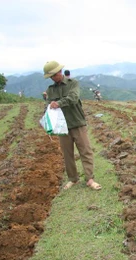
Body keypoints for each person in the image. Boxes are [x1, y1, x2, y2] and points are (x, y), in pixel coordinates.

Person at [43, 60, 101, 191]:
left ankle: (90, 179)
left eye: (54, 75)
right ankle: (73, 179)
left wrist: (58, 103)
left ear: (60, 72)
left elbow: (73, 97)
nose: (53, 78)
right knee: (67, 154)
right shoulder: (51, 90)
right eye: (50, 77)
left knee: (85, 151)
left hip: (77, 122)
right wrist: (50, 105)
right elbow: (48, 103)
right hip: (62, 127)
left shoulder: (73, 83)